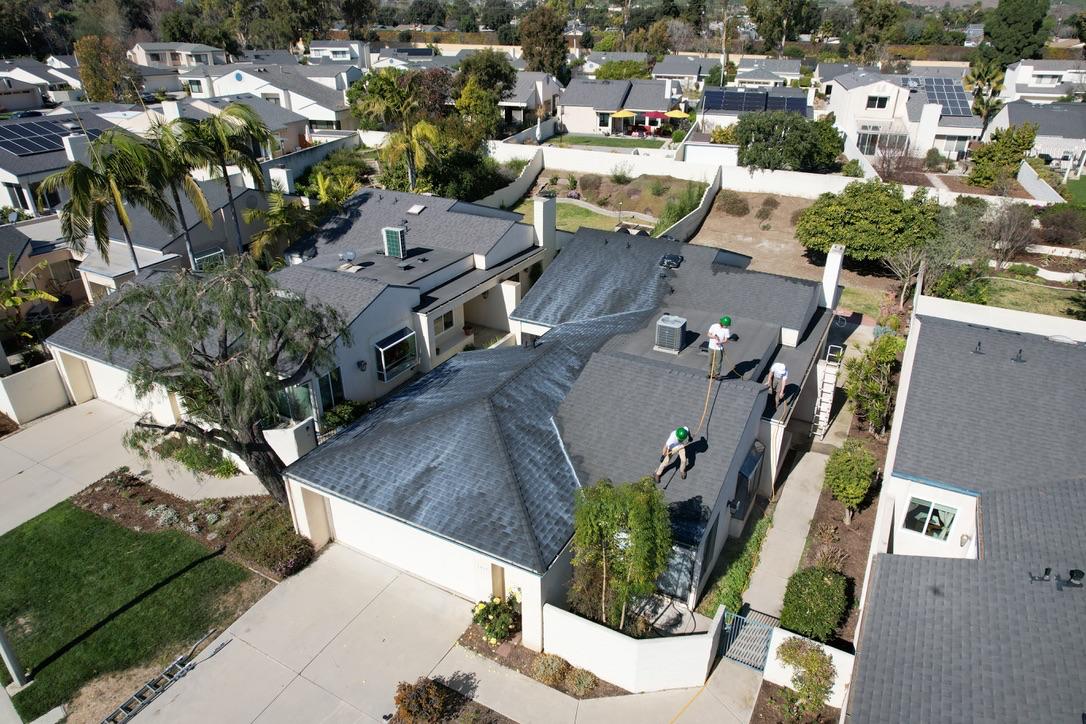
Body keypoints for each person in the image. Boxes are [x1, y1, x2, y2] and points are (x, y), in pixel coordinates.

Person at [706, 315, 731, 380]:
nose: (727, 326)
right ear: (722, 323)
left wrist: (720, 342)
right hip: (711, 347)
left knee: (718, 362)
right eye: (726, 325)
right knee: (710, 361)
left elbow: (726, 340)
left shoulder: (726, 330)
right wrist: (714, 337)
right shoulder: (714, 326)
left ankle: (717, 375)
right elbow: (708, 334)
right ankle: (710, 374)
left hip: (719, 349)